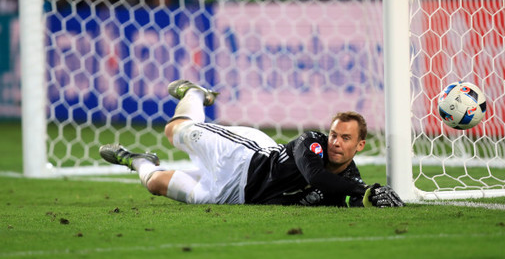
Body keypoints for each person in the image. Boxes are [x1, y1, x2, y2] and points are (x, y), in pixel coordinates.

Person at [99, 80, 404, 207]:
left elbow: (348, 197)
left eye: (346, 138)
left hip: (233, 196)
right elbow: (315, 177)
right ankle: (194, 93)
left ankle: (136, 160)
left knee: (154, 183)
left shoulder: (350, 179)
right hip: (240, 156)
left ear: (360, 146)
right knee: (175, 130)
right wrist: (365, 190)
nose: (336, 142)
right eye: (335, 134)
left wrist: (370, 198)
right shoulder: (311, 142)